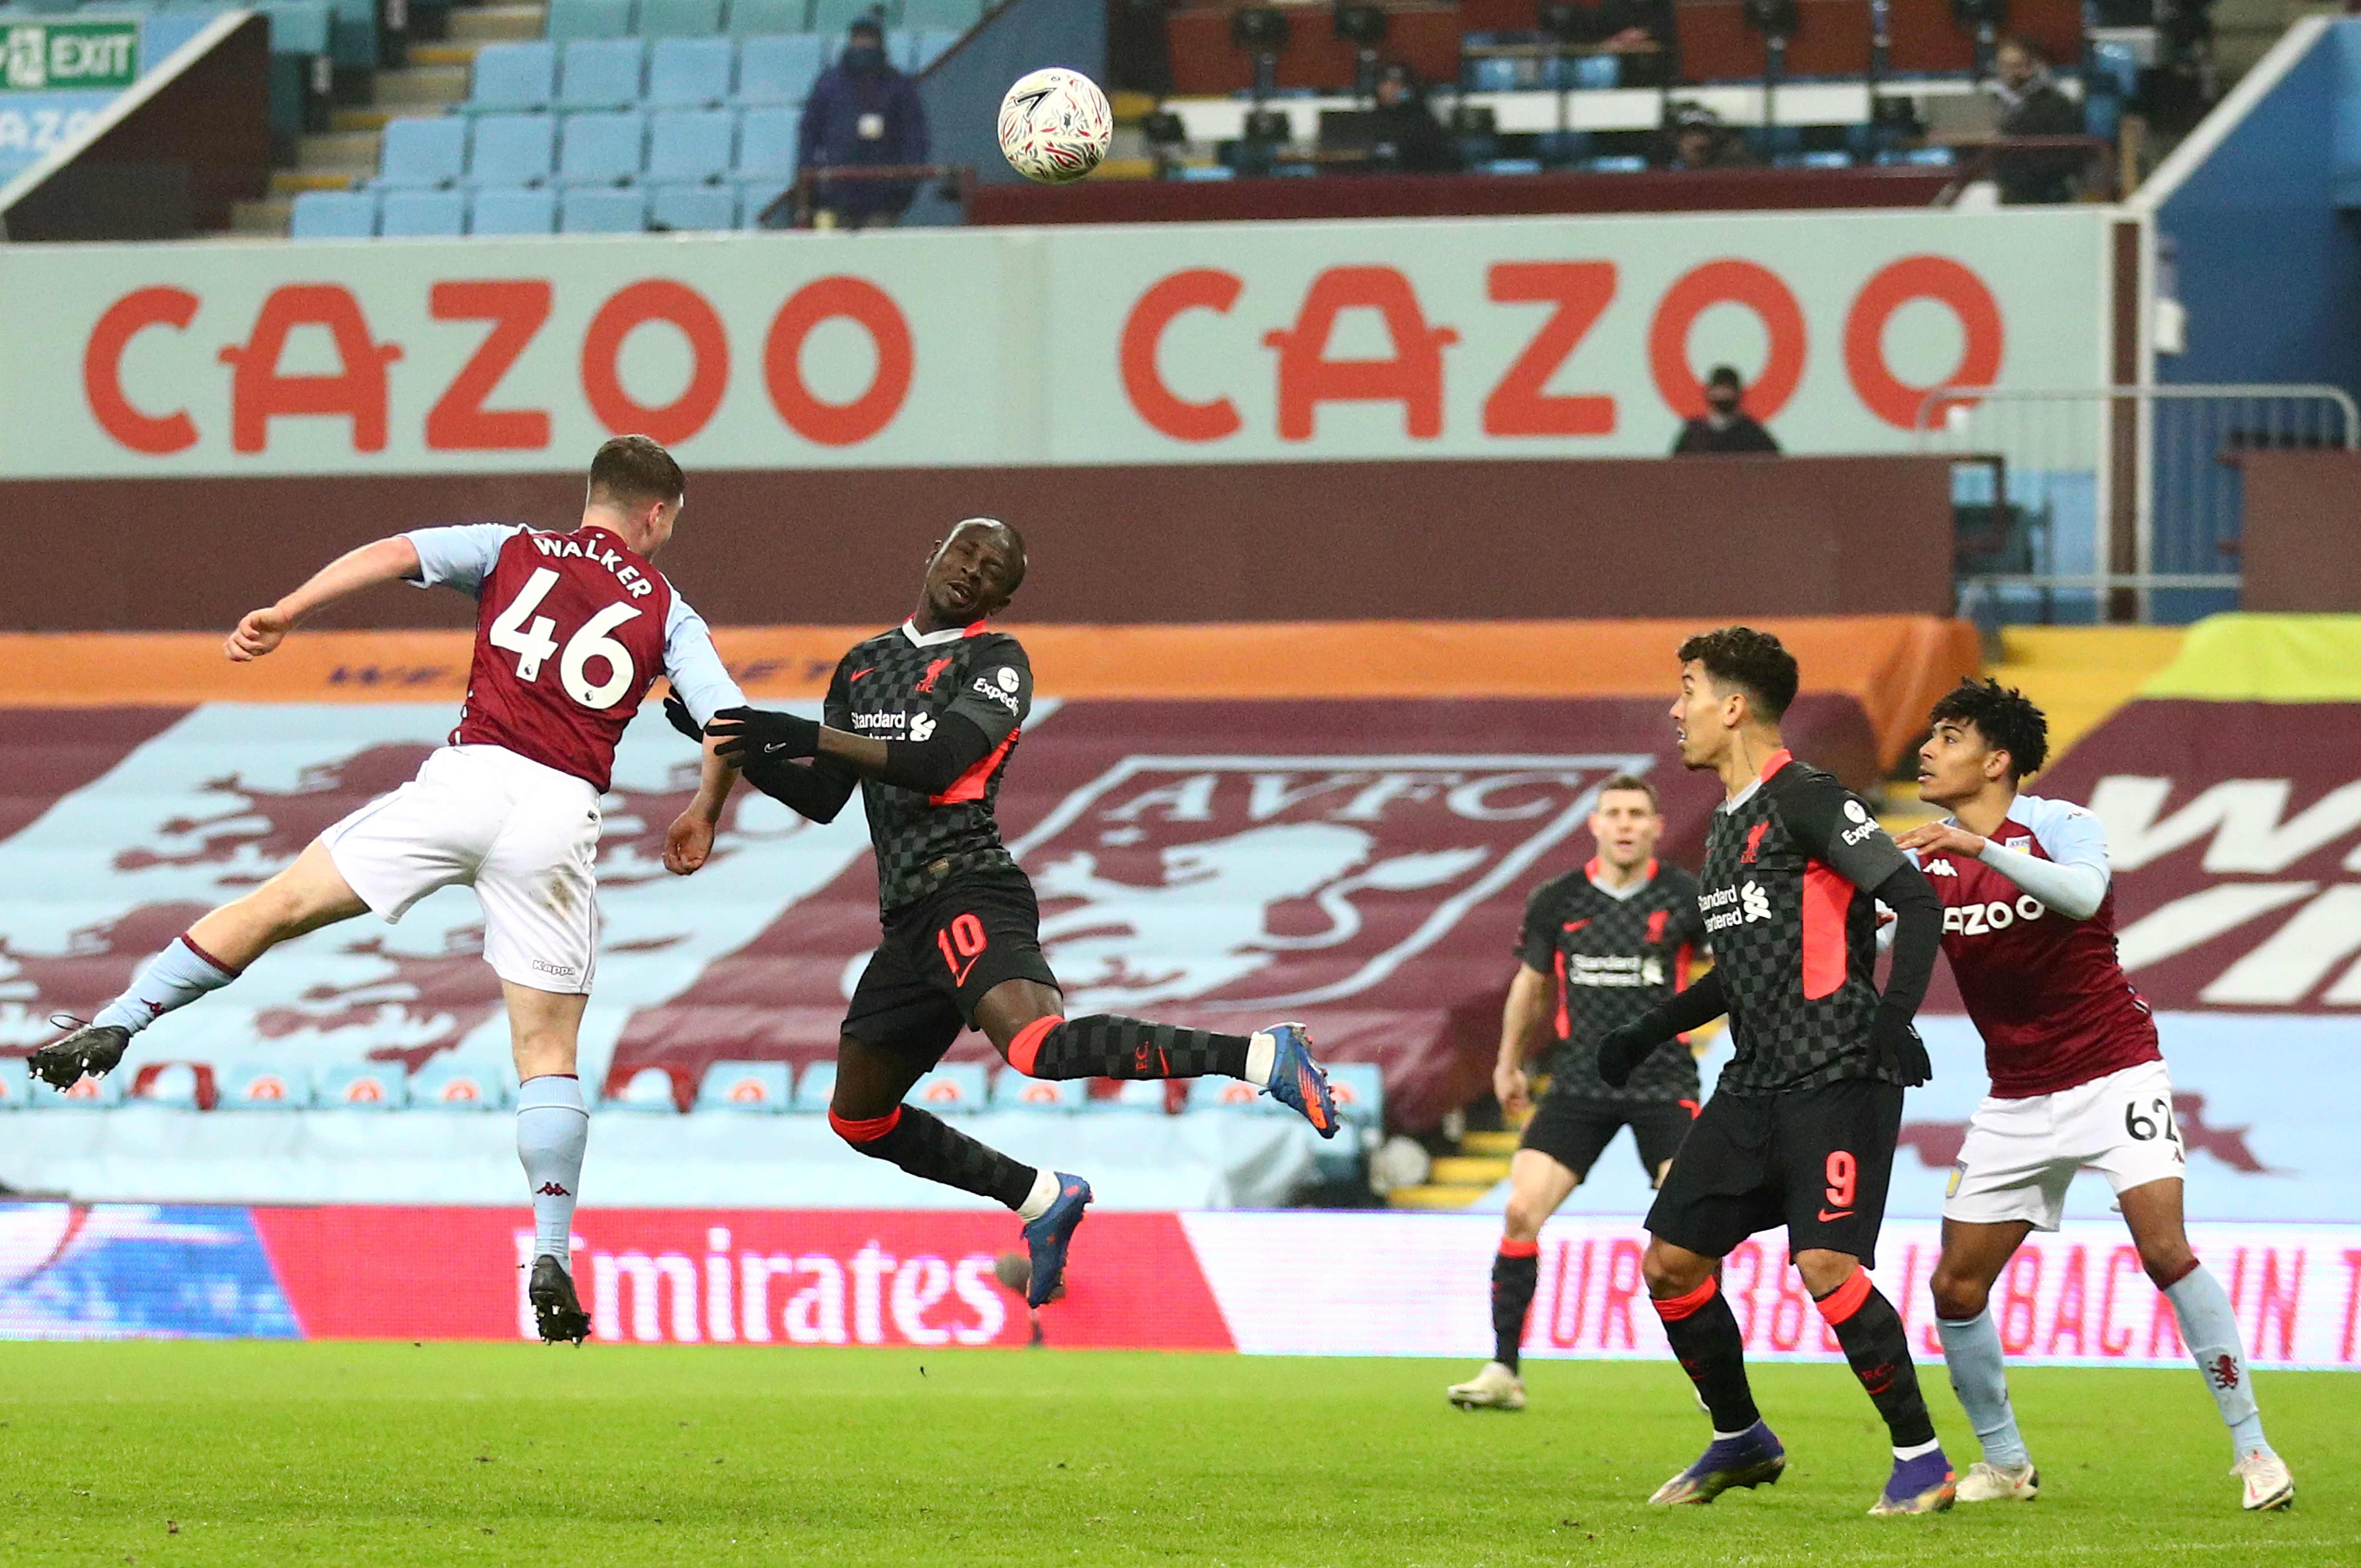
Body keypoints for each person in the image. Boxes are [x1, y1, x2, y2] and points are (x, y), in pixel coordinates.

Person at [31, 436, 745, 1345]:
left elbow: (395, 552)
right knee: (546, 1046)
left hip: (468, 778)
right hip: (560, 811)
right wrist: (703, 811)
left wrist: (289, 608)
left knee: (277, 906)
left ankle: (124, 1017)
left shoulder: (509, 544)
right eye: (670, 526)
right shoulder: (671, 610)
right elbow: (728, 720)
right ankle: (552, 1248)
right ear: (657, 514)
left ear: (593, 495)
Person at [668, 518, 1340, 1308]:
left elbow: (935, 763)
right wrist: (747, 750)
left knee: (1035, 1046)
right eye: (964, 554)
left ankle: (1260, 1056)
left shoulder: (995, 662)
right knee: (860, 1118)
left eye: (991, 570)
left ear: (1003, 596)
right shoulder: (865, 664)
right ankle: (1036, 1195)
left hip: (968, 885)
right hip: (909, 922)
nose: (971, 572)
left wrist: (801, 733)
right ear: (932, 553)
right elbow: (823, 799)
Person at [1897, 680, 2296, 1512]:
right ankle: (2004, 1463)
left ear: (1995, 759)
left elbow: (2078, 895)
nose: (1925, 749)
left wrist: (1974, 850)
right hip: (2014, 1097)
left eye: (1946, 735)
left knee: (2162, 1249)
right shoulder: (1922, 858)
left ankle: (2252, 1447)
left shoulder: (2058, 823)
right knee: (1954, 1288)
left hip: (2114, 1070)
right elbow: (1869, 933)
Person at [1591, 626, 1954, 1515]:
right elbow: (1747, 964)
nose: (1673, 710)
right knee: (1670, 1262)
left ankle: (1922, 1460)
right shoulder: (1723, 826)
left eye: (1685, 689)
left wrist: (1891, 1024)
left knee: (1826, 1263)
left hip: (1837, 1072)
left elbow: (1910, 896)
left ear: (1733, 704)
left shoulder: (1808, 797)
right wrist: (1649, 1028)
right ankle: (1739, 1437)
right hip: (1753, 1081)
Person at [1447, 775, 1705, 1412]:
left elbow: (1731, 976)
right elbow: (1529, 988)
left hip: (1662, 1083)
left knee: (1689, 1227)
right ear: (1593, 824)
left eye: (1635, 814)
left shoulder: (1685, 897)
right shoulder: (1557, 899)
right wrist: (1508, 1062)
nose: (1623, 824)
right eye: (1612, 813)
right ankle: (1503, 1371)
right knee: (1518, 1212)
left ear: (1654, 826)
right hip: (1578, 1085)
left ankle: (1712, 1378)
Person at [797, 16, 929, 229]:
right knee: (834, 259)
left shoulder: (899, 87)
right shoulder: (829, 85)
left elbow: (915, 139)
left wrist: (904, 187)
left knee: (878, 258)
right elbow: (809, 134)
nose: (864, 44)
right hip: (835, 197)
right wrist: (811, 182)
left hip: (883, 200)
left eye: (870, 38)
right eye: (859, 38)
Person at [1989, 36, 2085, 204]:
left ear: (2032, 67)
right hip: (2007, 186)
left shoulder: (2056, 105)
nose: (2010, 72)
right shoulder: (1995, 102)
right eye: (2004, 66)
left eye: (2016, 66)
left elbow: (2065, 156)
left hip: (2044, 191)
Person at [1368, 62, 1460, 174]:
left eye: (1397, 85)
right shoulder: (1372, 121)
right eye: (1385, 84)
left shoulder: (1423, 123)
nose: (1390, 89)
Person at [1671, 366, 1781, 455]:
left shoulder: (1752, 433)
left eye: (1728, 390)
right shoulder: (1694, 433)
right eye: (1719, 389)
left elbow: (1774, 465)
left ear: (1738, 394)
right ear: (1709, 393)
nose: (1723, 394)